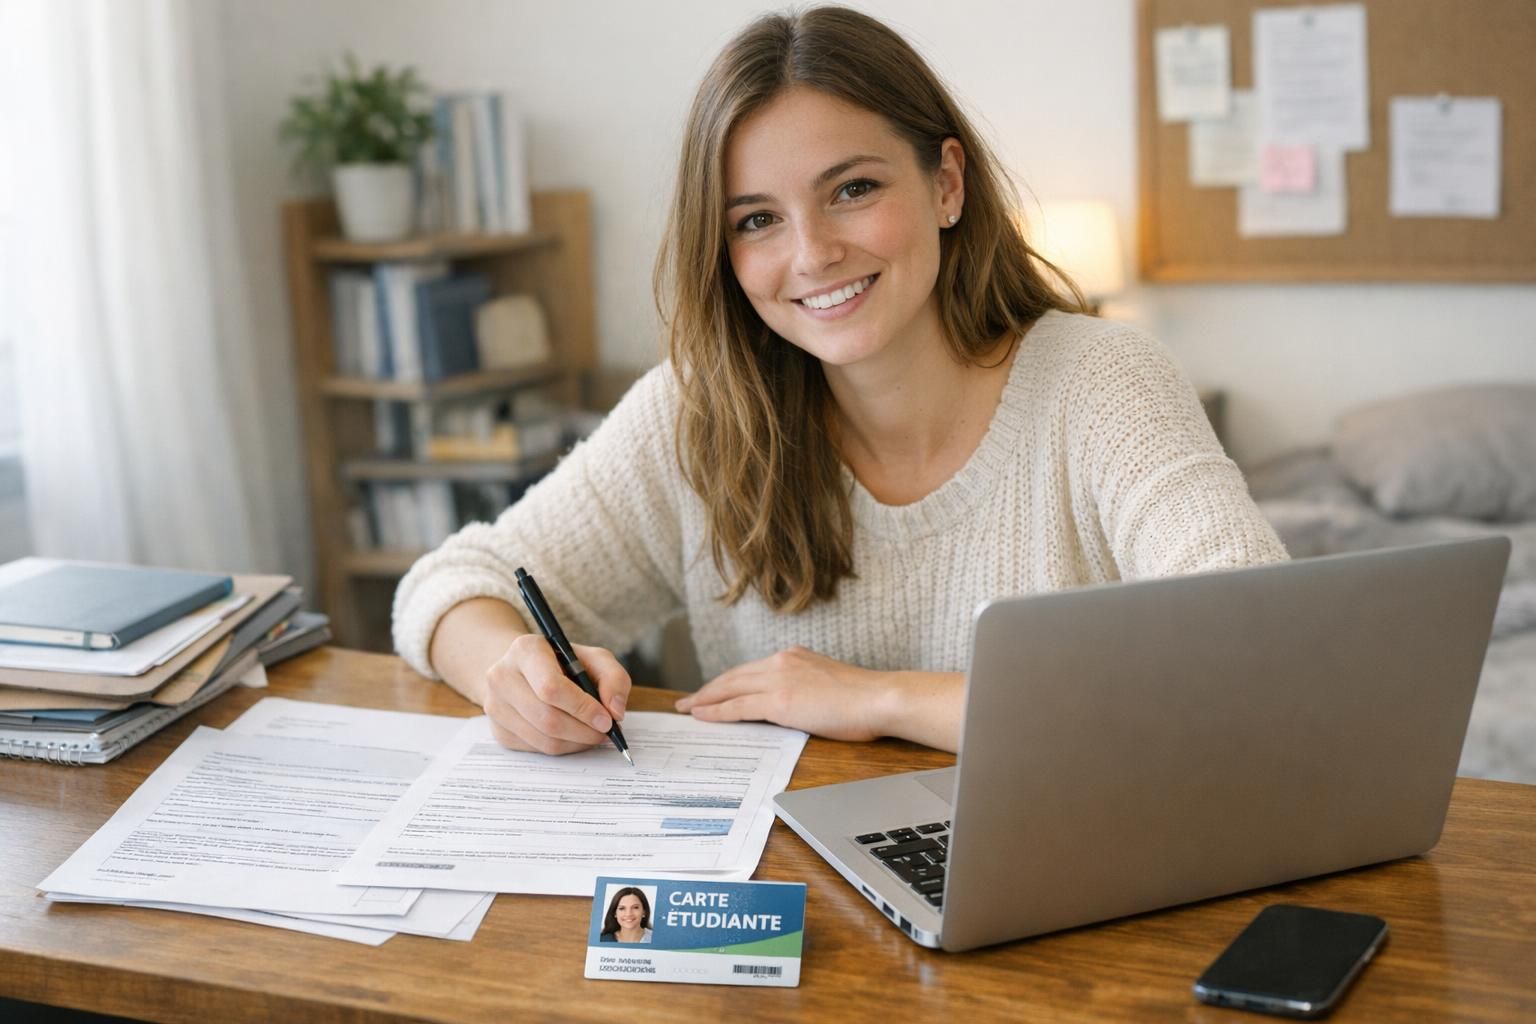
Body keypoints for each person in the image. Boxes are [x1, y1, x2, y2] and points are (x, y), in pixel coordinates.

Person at [392, 6, 1286, 756]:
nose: (812, 254)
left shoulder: (1102, 384)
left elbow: (1259, 659)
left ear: (945, 184)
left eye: (853, 189)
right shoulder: (702, 409)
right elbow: (450, 583)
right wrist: (507, 673)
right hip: (783, 903)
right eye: (757, 220)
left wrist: (882, 700)